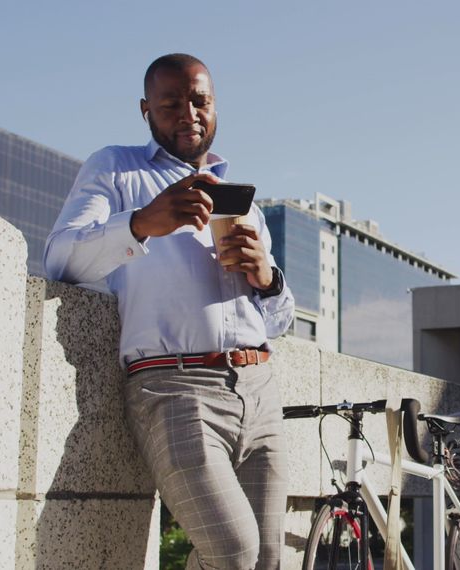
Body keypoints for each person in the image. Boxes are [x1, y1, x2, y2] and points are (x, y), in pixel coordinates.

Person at [45, 53, 294, 570]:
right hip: (174, 387)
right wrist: (141, 223)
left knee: (269, 559)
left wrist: (267, 278)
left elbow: (277, 323)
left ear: (215, 106)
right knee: (233, 551)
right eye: (170, 104)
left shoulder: (243, 202)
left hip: (259, 389)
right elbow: (61, 259)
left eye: (199, 101)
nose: (188, 114)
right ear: (145, 110)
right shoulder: (116, 168)